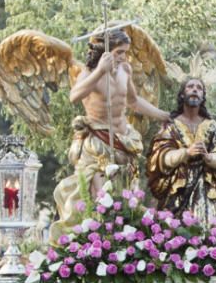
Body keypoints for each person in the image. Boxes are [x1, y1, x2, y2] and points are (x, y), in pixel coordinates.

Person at [50, 29, 172, 240]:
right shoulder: (88, 74)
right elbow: (74, 96)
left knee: (127, 197)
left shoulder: (125, 70)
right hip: (99, 143)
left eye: (125, 52)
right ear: (104, 52)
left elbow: (133, 102)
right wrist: (100, 71)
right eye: (118, 53)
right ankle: (103, 242)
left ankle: (127, 240)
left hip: (125, 141)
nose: (123, 57)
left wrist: (162, 115)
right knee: (102, 199)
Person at [146, 78, 216, 225]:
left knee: (207, 230)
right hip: (177, 192)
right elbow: (161, 156)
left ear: (203, 96)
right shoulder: (171, 125)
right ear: (182, 95)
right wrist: (186, 153)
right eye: (190, 87)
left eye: (199, 88)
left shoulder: (211, 126)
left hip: (205, 190)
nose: (195, 90)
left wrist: (209, 157)